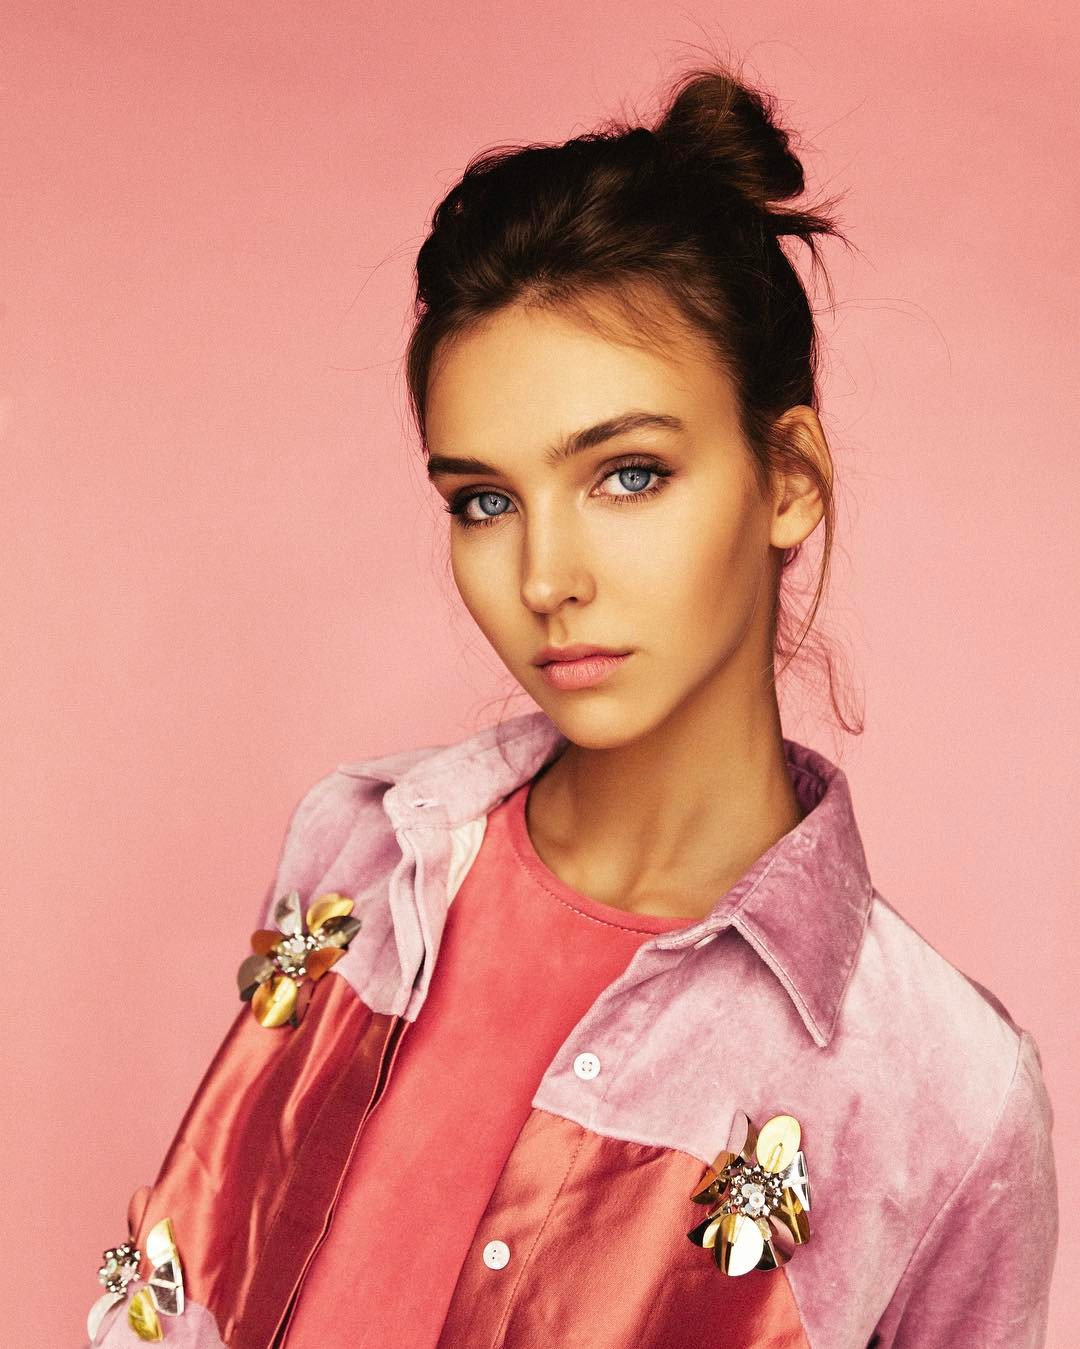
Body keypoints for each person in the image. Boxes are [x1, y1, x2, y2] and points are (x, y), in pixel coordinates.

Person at [84, 58, 1058, 1349]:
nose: (545, 578)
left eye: (629, 474)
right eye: (485, 500)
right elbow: (177, 1291)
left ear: (787, 477)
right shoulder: (362, 853)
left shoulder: (943, 1092)